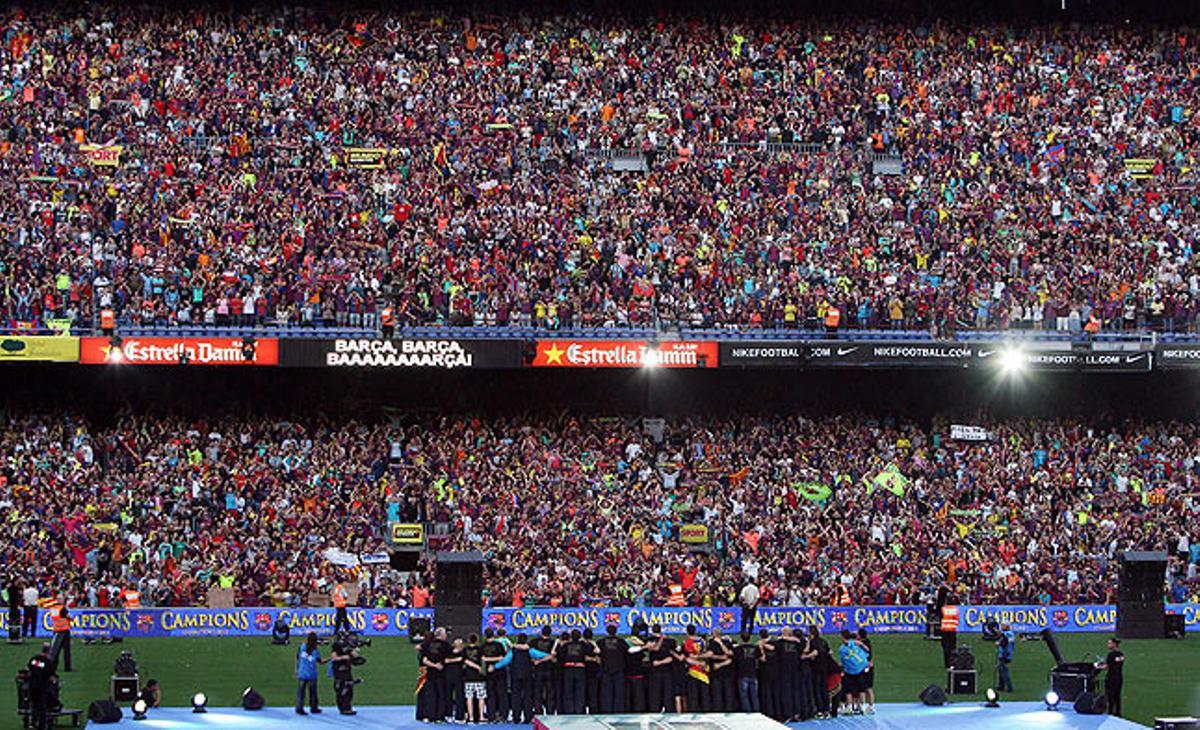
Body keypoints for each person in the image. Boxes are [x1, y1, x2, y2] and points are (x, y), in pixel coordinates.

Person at [838, 630, 869, 716]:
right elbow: (866, 650)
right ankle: (862, 707)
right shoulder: (856, 643)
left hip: (849, 671)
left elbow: (843, 661)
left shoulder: (842, 649)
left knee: (848, 690)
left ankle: (849, 708)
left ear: (843, 637)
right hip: (860, 669)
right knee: (861, 689)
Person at [598, 624, 627, 713]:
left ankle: (606, 710)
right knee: (619, 692)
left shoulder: (601, 642)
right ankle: (619, 710)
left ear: (607, 631)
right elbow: (627, 652)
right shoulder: (621, 641)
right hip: (618, 668)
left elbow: (597, 652)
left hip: (606, 668)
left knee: (607, 692)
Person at [508, 634, 535, 723]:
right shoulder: (530, 650)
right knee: (528, 696)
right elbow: (540, 655)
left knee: (516, 696)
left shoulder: (513, 650)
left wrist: (496, 666)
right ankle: (528, 717)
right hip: (527, 675)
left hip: (515, 675)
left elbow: (506, 660)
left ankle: (516, 717)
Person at [483, 628, 509, 721]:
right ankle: (503, 715)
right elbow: (503, 657)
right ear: (493, 634)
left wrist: (489, 660)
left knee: (491, 695)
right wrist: (496, 659)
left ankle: (491, 716)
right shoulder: (499, 645)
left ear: (485, 635)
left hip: (490, 672)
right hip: (500, 672)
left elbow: (484, 659)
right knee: (502, 694)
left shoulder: (483, 646)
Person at [295, 632, 324, 715]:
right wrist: (330, 658)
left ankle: (299, 708)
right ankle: (314, 708)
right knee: (313, 693)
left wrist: (297, 669)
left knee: (301, 693)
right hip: (311, 674)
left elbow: (298, 658)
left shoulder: (302, 647)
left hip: (302, 672)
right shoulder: (315, 651)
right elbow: (320, 661)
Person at [26, 643, 53, 730]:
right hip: (41, 687)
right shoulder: (47, 662)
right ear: (49, 651)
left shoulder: (34, 659)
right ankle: (42, 725)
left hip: (32, 685)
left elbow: (29, 669)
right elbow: (49, 675)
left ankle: (33, 723)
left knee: (34, 705)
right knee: (42, 706)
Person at [532, 626, 558, 715]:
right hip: (549, 670)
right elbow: (553, 657)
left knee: (538, 692)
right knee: (550, 692)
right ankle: (550, 711)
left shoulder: (534, 642)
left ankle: (538, 711)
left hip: (538, 670)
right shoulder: (553, 643)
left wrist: (538, 661)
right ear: (550, 633)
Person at [1095, 637, 1124, 717]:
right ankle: (1118, 712)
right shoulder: (1121, 654)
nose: (1108, 645)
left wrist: (1098, 667)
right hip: (1119, 677)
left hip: (1111, 677)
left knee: (1110, 695)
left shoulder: (1111, 654)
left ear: (1114, 644)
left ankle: (1110, 712)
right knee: (1117, 695)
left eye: (1110, 643)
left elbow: (1107, 666)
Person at [708, 627, 734, 713]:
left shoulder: (726, 642)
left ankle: (728, 710)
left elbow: (729, 653)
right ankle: (718, 711)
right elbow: (710, 655)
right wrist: (722, 657)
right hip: (716, 673)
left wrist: (720, 643)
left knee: (728, 694)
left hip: (726, 673)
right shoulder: (711, 643)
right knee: (717, 695)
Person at [329, 635, 358, 716]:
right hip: (339, 670)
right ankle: (343, 708)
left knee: (349, 688)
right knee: (342, 689)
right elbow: (334, 658)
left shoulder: (348, 646)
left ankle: (347, 707)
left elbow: (355, 655)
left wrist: (353, 653)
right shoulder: (336, 646)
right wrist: (344, 657)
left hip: (347, 670)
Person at [462, 633, 487, 723]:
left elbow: (464, 661)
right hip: (479, 677)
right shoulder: (480, 649)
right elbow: (483, 660)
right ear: (477, 640)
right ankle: (481, 716)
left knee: (469, 697)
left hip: (468, 676)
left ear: (469, 640)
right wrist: (479, 668)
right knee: (481, 697)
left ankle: (471, 717)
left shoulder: (465, 650)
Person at [734, 632, 761, 713]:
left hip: (742, 673)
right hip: (753, 673)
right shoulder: (755, 648)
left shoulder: (738, 649)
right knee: (754, 695)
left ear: (741, 638)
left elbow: (733, 657)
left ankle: (747, 711)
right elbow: (761, 657)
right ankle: (756, 711)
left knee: (744, 695)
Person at [443, 638, 466, 722]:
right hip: (450, 676)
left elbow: (447, 660)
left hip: (458, 676)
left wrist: (450, 661)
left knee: (459, 696)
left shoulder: (463, 652)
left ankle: (459, 716)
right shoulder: (449, 651)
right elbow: (445, 660)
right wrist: (456, 660)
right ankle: (448, 714)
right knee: (449, 695)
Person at [855, 628, 875, 714]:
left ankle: (863, 706)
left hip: (864, 667)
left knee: (863, 688)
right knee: (867, 688)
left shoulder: (863, 644)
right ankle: (869, 706)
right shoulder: (866, 642)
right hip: (867, 667)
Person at [49, 597, 71, 673]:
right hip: (64, 630)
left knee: (55, 650)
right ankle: (67, 667)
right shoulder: (62, 608)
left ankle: (53, 666)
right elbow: (68, 616)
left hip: (56, 630)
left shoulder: (53, 608)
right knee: (66, 650)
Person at [940, 596, 960, 668]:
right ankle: (953, 662)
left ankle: (947, 663)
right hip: (952, 630)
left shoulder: (943, 609)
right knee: (953, 647)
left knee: (946, 647)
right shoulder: (955, 609)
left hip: (945, 630)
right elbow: (957, 619)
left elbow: (941, 617)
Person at [995, 622, 1015, 693]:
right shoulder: (1006, 634)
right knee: (1000, 670)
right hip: (1002, 654)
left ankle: (1009, 687)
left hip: (1005, 654)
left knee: (1004, 671)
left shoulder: (1009, 634)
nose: (1002, 627)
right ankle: (1001, 686)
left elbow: (1006, 642)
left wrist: (999, 643)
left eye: (1003, 625)